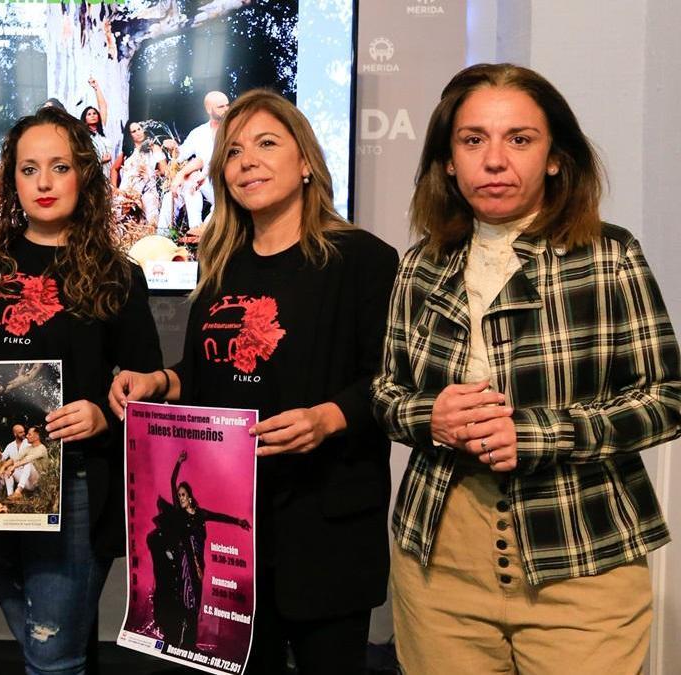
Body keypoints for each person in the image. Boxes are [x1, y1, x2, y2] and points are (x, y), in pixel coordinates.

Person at [371, 63, 680, 675]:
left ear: (556, 156)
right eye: (473, 139)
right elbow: (386, 393)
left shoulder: (610, 256)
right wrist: (429, 415)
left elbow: (667, 398)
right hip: (438, 567)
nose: (494, 160)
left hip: (583, 559)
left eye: (519, 139)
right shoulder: (420, 265)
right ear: (449, 160)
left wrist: (541, 433)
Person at [110, 88, 397, 673]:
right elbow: (202, 376)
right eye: (234, 152)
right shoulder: (223, 263)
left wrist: (329, 418)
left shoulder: (363, 259)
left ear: (307, 162)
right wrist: (158, 382)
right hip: (230, 528)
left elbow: (394, 383)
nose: (247, 161)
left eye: (267, 144)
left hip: (325, 526)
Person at [0, 105, 163, 673]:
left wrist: (103, 415)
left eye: (59, 167)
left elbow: (148, 390)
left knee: (51, 654)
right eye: (28, 168)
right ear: (11, 178)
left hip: (78, 479)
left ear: (84, 174)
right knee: (43, 645)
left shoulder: (119, 274)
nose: (43, 182)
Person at [147, 450, 250, 650]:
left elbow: (220, 516)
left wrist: (238, 521)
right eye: (179, 495)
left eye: (184, 495)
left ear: (191, 497)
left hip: (199, 563)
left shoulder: (201, 514)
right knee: (187, 599)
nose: (181, 498)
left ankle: (190, 642)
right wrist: (178, 463)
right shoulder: (180, 514)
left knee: (196, 600)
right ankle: (182, 641)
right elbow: (171, 482)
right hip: (185, 561)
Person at [157, 91, 229, 235]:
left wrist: (188, 174)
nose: (227, 109)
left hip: (225, 183)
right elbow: (181, 155)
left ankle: (203, 232)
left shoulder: (234, 129)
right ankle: (164, 236)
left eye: (228, 105)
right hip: (204, 182)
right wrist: (173, 147)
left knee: (193, 178)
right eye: (221, 106)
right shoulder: (198, 133)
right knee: (171, 195)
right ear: (209, 110)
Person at [116, 121, 167, 226]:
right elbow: (114, 169)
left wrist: (150, 175)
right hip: (127, 193)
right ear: (130, 135)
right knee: (125, 225)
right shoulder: (127, 152)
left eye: (139, 129)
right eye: (134, 131)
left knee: (150, 224)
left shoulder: (154, 148)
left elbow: (164, 171)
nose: (138, 132)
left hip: (148, 192)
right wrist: (115, 189)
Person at [80, 76, 112, 178]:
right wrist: (101, 161)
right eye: (89, 114)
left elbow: (103, 106)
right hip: (93, 177)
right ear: (84, 119)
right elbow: (82, 160)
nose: (93, 115)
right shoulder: (83, 136)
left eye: (94, 113)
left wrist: (96, 87)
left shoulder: (102, 131)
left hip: (107, 174)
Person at [7, 426, 49, 500]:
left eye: (29, 434)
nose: (26, 436)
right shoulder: (28, 448)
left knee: (28, 464)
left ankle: (18, 491)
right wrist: (5, 468)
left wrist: (14, 466)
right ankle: (11, 496)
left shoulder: (42, 448)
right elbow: (15, 458)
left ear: (37, 436)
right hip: (28, 481)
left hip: (39, 482)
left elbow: (28, 459)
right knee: (7, 471)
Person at [0, 424, 29, 499]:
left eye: (24, 432)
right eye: (21, 432)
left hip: (27, 473)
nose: (24, 434)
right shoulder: (10, 445)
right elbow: (2, 458)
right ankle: (9, 496)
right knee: (2, 476)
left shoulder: (28, 442)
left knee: (10, 469)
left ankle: (15, 493)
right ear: (15, 434)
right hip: (16, 472)